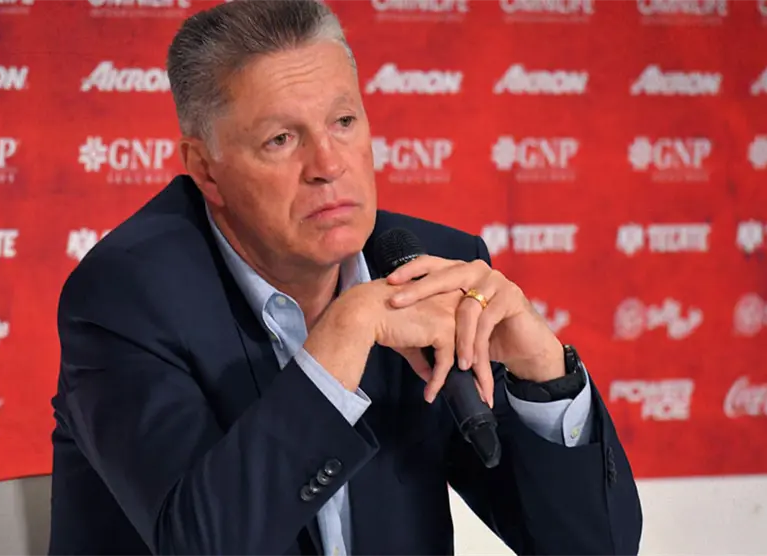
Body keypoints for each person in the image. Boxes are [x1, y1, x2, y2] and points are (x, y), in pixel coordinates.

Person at [48, 0, 643, 554]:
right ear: (206, 169)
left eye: (343, 121)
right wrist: (343, 336)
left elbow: (596, 548)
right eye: (281, 139)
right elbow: (201, 543)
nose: (328, 165)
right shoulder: (125, 299)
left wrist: (544, 374)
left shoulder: (428, 269)